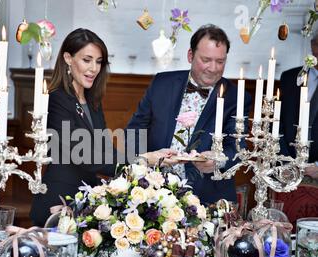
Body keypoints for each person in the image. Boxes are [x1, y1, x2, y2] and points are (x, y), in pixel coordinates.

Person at [30, 28, 171, 226]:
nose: (94, 68)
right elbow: (84, 155)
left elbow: (104, 151)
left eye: (98, 62)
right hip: (58, 200)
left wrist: (146, 166)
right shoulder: (56, 99)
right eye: (87, 60)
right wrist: (142, 161)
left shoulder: (92, 102)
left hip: (85, 201)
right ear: (68, 58)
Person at [126, 24, 252, 204]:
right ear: (190, 56)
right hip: (152, 192)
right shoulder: (162, 83)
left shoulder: (236, 97)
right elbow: (134, 130)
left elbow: (238, 148)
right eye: (206, 59)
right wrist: (145, 160)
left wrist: (218, 161)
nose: (213, 68)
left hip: (206, 197)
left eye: (220, 61)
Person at [279, 32, 318, 179]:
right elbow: (279, 122)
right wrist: (284, 160)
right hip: (287, 169)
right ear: (312, 46)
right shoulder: (290, 77)